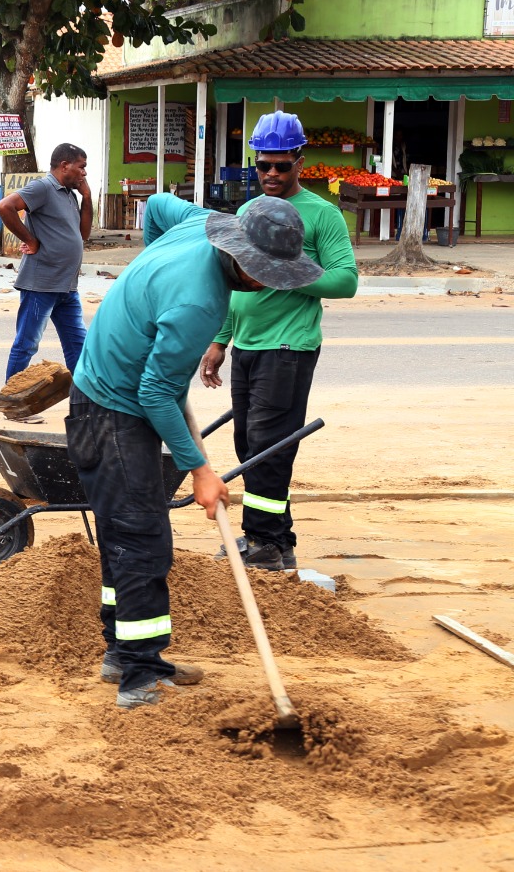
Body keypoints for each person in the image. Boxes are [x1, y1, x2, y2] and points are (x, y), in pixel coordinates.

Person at [67, 192, 322, 709]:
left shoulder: (204, 224)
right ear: (244, 263)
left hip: (108, 395)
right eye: (267, 274)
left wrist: (150, 274)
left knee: (125, 536)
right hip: (114, 411)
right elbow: (155, 394)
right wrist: (202, 471)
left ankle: (124, 652)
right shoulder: (200, 304)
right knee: (142, 541)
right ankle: (138, 677)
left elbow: (156, 207)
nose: (271, 283)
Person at [200, 112, 358, 572]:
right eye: (263, 165)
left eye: (281, 166)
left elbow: (345, 281)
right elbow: (233, 281)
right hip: (248, 344)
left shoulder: (322, 215)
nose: (270, 174)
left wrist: (289, 276)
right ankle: (277, 538)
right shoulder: (249, 213)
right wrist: (220, 340)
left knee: (270, 444)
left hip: (290, 346)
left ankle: (263, 542)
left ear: (299, 163)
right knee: (251, 444)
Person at [0, 143, 93, 380]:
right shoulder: (43, 187)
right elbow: (4, 207)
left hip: (66, 286)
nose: (84, 173)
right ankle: (13, 402)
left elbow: (84, 234)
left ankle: (84, 404)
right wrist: (30, 240)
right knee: (27, 344)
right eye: (81, 167)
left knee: (78, 346)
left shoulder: (69, 194)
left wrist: (87, 197)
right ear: (65, 165)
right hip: (41, 283)